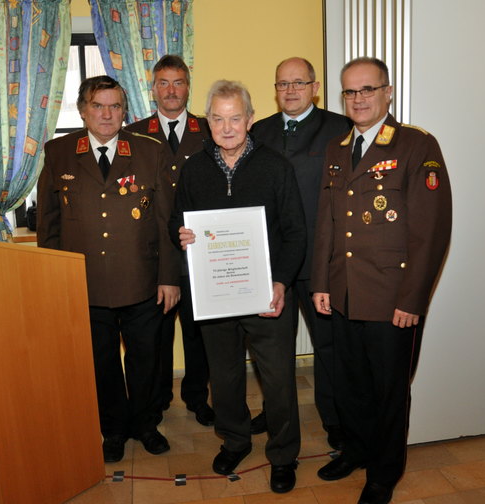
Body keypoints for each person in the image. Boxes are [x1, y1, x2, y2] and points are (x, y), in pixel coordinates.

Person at [310, 57, 452, 504]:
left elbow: (431, 232)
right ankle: (354, 450)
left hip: (393, 298)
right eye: (350, 92)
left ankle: (384, 473)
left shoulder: (415, 145)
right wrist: (320, 283)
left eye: (368, 89)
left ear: (387, 92)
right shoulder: (337, 148)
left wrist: (413, 299)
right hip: (345, 292)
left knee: (389, 391)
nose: (359, 99)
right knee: (349, 384)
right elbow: (327, 223)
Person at [170, 80, 307, 494]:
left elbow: (296, 232)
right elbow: (176, 227)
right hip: (216, 297)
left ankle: (283, 455)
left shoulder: (276, 166)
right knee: (225, 377)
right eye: (217, 118)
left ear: (249, 119)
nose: (226, 127)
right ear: (206, 121)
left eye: (235, 118)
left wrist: (281, 281)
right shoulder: (193, 169)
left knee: (279, 380)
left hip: (267, 296)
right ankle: (235, 439)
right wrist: (184, 238)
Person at [36, 75, 180, 464]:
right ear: (83, 110)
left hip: (142, 281)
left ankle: (146, 425)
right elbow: (48, 224)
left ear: (124, 111)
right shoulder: (59, 152)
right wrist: (56, 278)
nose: (107, 114)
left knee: (146, 359)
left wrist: (169, 277)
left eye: (115, 106)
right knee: (101, 363)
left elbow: (167, 220)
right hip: (86, 284)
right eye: (98, 106)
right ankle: (113, 430)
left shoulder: (150, 152)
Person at [250, 57, 352, 450]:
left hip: (319, 264)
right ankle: (275, 411)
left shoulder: (339, 129)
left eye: (298, 83)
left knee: (328, 349)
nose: (290, 90)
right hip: (272, 264)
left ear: (315, 87)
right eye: (282, 84)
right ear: (274, 90)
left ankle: (336, 421)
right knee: (272, 350)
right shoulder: (259, 132)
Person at [126, 55, 213, 427]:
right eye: (164, 82)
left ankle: (197, 396)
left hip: (199, 253)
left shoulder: (210, 130)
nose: (171, 90)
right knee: (155, 336)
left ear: (188, 87)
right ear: (153, 88)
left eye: (178, 82)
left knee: (198, 334)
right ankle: (157, 399)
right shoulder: (133, 134)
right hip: (154, 255)